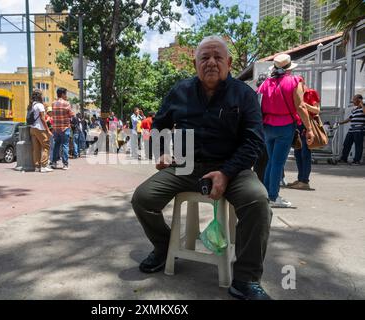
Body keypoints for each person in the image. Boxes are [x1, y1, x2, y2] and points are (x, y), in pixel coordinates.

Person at [132, 36, 273, 300]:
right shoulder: (180, 91)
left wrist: (227, 172)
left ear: (229, 63)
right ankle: (163, 247)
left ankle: (245, 278)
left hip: (233, 168)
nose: (211, 62)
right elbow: (159, 126)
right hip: (186, 166)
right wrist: (161, 151)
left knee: (258, 201)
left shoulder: (245, 95)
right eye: (204, 58)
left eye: (218, 57)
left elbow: (254, 141)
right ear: (194, 63)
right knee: (143, 198)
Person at [258, 54, 314, 208]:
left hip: (267, 127)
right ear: (289, 67)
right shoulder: (295, 81)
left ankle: (266, 195)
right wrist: (309, 128)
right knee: (277, 163)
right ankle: (273, 196)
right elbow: (301, 106)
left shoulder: (265, 83)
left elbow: (259, 105)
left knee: (271, 161)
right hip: (285, 126)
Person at [287, 77, 321, 190]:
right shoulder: (294, 94)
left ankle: (305, 181)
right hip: (297, 126)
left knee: (305, 154)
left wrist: (302, 105)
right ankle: (301, 178)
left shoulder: (310, 93)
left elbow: (316, 110)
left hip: (307, 126)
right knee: (297, 153)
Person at [29, 89, 53, 173]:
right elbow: (43, 118)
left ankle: (37, 166)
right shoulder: (40, 105)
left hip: (32, 128)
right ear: (40, 96)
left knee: (36, 148)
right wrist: (48, 130)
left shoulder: (31, 105)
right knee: (46, 146)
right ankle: (43, 166)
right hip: (40, 128)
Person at [338, 94, 365, 165]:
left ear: (359, 100)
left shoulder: (363, 107)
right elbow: (350, 118)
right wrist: (341, 122)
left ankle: (357, 160)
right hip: (351, 130)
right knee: (346, 144)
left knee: (358, 145)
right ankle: (343, 159)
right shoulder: (355, 109)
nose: (353, 101)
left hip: (359, 130)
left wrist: (362, 103)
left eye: (354, 99)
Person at [51, 87, 74, 170]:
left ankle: (54, 162)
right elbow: (71, 115)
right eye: (66, 94)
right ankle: (65, 164)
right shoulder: (66, 103)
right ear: (63, 94)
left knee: (56, 145)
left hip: (56, 128)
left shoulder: (53, 103)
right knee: (65, 145)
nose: (66, 96)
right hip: (64, 128)